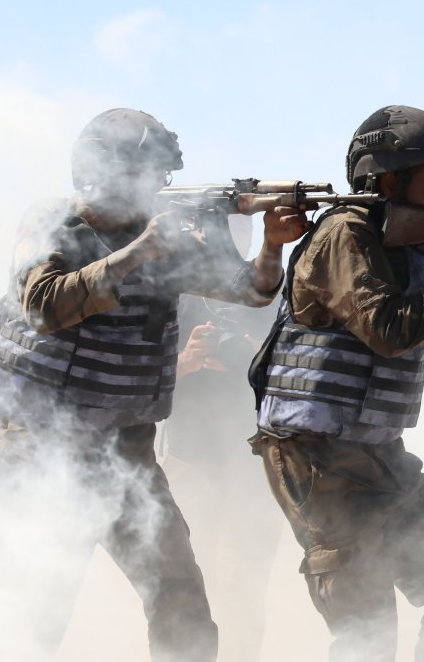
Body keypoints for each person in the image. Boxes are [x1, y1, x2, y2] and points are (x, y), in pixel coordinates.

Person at [0, 108, 308, 661]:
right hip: (37, 443)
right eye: (147, 175)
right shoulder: (55, 222)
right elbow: (42, 305)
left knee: (180, 599)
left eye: (162, 178)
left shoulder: (162, 239)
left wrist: (273, 245)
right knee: (40, 601)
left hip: (124, 447)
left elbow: (250, 292)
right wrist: (139, 252)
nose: (158, 189)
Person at [249, 105, 424, 662]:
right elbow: (391, 330)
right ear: (387, 181)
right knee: (367, 633)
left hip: (376, 453)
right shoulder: (347, 231)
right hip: (317, 458)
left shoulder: (416, 242)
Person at [161, 214, 284, 661]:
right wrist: (185, 361)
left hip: (254, 465)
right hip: (190, 459)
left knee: (245, 582)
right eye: (226, 226)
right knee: (182, 582)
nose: (237, 237)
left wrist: (250, 352)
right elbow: (133, 373)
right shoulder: (175, 293)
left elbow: (298, 370)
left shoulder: (272, 293)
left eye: (244, 227)